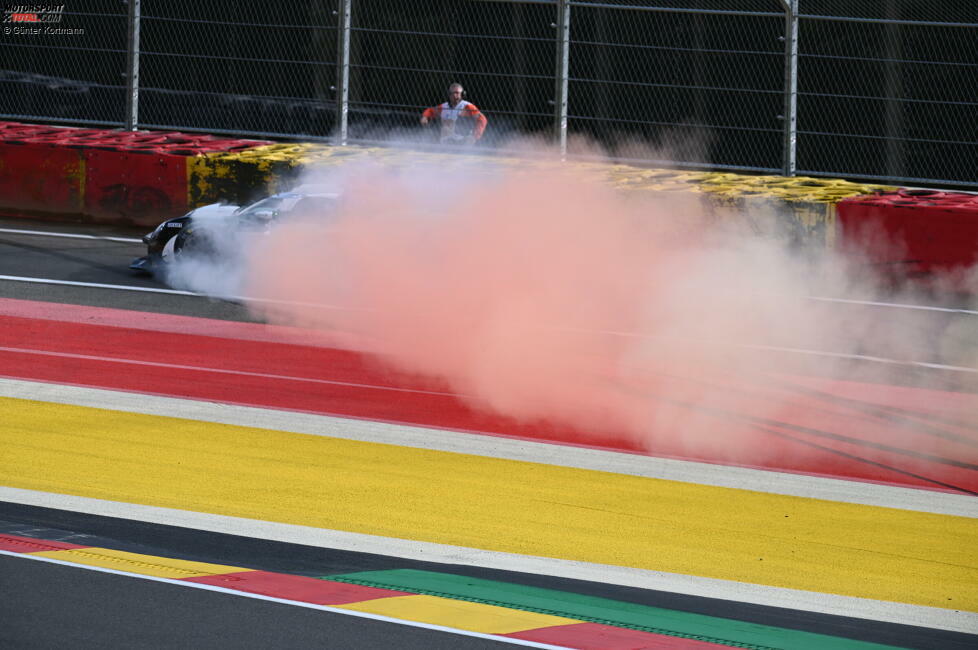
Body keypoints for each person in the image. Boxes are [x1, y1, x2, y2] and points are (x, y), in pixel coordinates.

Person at [420, 82, 487, 145]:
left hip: (463, 141)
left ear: (462, 94)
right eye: (452, 93)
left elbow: (482, 119)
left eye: (457, 93)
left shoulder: (467, 106)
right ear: (449, 94)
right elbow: (431, 111)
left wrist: (475, 136)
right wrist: (425, 117)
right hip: (446, 141)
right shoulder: (444, 107)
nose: (454, 95)